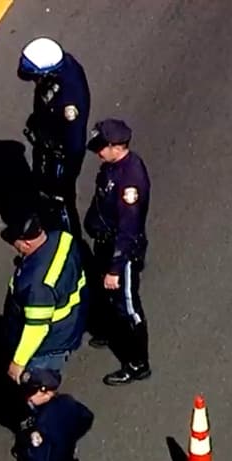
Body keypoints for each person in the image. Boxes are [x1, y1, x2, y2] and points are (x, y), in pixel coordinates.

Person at [84, 118, 152, 386]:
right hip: (104, 241)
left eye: (102, 146)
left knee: (128, 306)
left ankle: (137, 362)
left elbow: (129, 227)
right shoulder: (111, 168)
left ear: (117, 146)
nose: (98, 151)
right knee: (109, 297)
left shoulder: (130, 179)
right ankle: (113, 332)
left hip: (120, 252)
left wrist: (115, 267)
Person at [17, 37, 90, 240]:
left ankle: (71, 243)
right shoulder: (63, 66)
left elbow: (74, 145)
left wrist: (66, 174)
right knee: (42, 187)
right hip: (45, 141)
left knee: (61, 201)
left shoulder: (69, 100)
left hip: (60, 154)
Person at [3, 217, 88, 384]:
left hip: (48, 344)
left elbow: (36, 328)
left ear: (26, 243)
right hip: (71, 322)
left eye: (15, 242)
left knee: (38, 391)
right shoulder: (63, 238)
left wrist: (18, 362)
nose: (14, 246)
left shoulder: (38, 285)